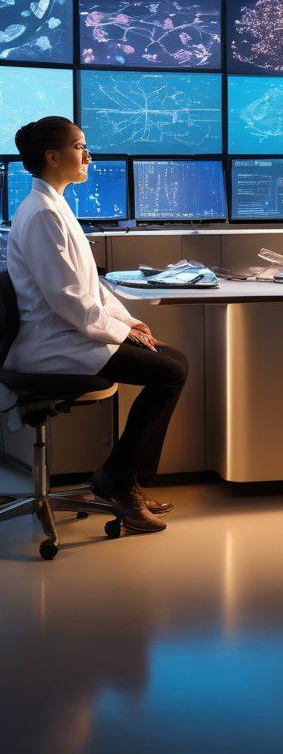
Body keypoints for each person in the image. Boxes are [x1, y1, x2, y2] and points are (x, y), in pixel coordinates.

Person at [4, 117, 187, 532]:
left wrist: (130, 321)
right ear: (53, 156)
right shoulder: (43, 215)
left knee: (173, 363)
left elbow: (92, 285)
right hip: (51, 344)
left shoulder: (54, 205)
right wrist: (122, 333)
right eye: (79, 146)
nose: (88, 155)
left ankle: (124, 479)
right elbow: (69, 299)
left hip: (69, 333)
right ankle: (120, 482)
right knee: (171, 372)